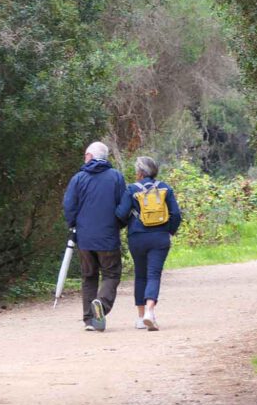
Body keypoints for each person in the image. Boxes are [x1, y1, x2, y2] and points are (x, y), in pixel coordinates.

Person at [63, 141, 126, 332]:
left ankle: (89, 320)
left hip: (85, 239)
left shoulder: (78, 178)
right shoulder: (116, 177)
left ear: (90, 156)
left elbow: (69, 205)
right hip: (108, 237)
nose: (84, 158)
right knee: (112, 274)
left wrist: (74, 225)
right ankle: (101, 304)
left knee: (89, 276)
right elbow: (123, 206)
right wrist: (118, 224)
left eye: (85, 154)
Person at [115, 156, 181, 331]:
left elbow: (121, 214)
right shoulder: (165, 188)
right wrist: (169, 231)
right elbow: (176, 214)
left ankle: (140, 317)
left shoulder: (132, 189)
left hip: (137, 237)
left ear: (139, 172)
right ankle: (150, 312)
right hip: (160, 237)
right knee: (154, 274)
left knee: (141, 275)